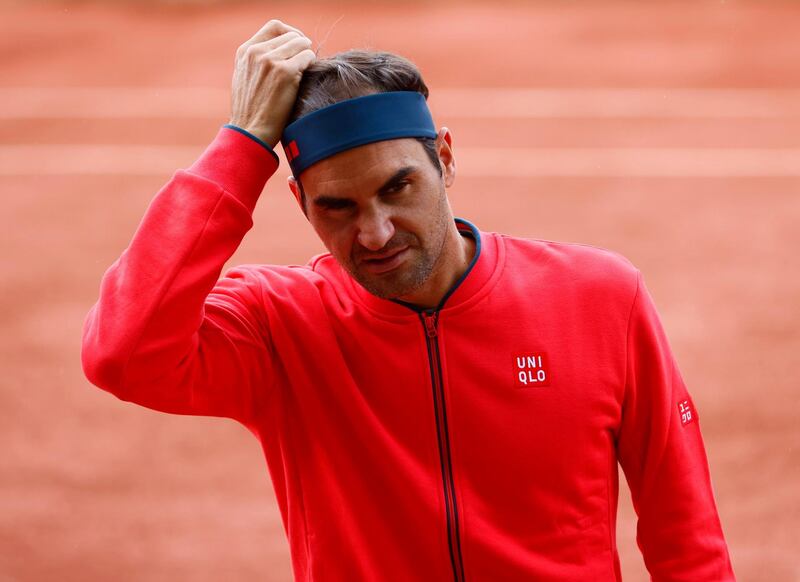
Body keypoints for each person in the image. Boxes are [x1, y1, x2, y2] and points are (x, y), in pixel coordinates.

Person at [81, 19, 736, 582]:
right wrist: (242, 146)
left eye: (398, 188)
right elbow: (123, 353)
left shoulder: (599, 296)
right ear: (300, 205)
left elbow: (686, 533)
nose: (376, 233)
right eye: (337, 207)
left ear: (444, 160)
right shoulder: (277, 325)